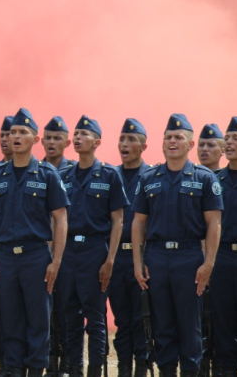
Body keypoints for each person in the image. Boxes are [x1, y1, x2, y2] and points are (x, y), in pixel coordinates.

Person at [132, 114, 223, 377]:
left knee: (190, 326)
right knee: (162, 326)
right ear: (162, 143)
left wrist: (209, 263)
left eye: (178, 137)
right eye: (168, 137)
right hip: (157, 258)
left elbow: (214, 224)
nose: (172, 141)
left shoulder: (205, 178)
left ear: (190, 145)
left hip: (189, 258)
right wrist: (138, 263)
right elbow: (138, 223)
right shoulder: (149, 178)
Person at [0, 108, 69, 377]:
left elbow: (61, 220)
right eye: (12, 133)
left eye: (22, 132)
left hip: (35, 255)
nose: (16, 136)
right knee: (10, 318)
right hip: (7, 256)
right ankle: (13, 369)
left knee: (38, 319)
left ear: (35, 139)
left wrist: (55, 261)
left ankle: (35, 369)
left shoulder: (47, 175)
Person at [59, 116, 127, 377]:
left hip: (94, 251)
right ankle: (74, 370)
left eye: (83, 134)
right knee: (70, 316)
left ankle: (96, 371)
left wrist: (110, 259)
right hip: (67, 253)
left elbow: (118, 220)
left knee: (96, 317)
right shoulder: (63, 175)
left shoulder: (109, 175)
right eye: (75, 134)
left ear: (97, 142)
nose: (77, 138)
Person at [210, 117, 237, 377]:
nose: (229, 142)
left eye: (236, 138)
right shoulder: (214, 179)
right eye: (227, 138)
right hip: (221, 258)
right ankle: (226, 369)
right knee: (223, 321)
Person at [108, 119, 151, 377]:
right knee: (122, 320)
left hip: (143, 258)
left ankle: (142, 370)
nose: (125, 144)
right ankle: (124, 369)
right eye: (122, 139)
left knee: (142, 319)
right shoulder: (110, 176)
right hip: (116, 257)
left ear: (143, 146)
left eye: (131, 140)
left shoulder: (151, 176)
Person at [41, 115, 75, 377]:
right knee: (42, 311)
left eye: (57, 139)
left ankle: (66, 362)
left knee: (66, 309)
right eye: (48, 138)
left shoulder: (74, 172)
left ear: (67, 142)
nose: (51, 143)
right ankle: (47, 361)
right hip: (39, 252)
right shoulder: (34, 170)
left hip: (67, 253)